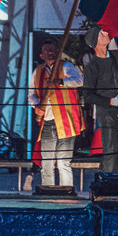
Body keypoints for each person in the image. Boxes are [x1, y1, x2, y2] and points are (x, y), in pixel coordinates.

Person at [80, 25, 118, 173]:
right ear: (95, 41)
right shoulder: (92, 66)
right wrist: (110, 101)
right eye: (102, 34)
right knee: (111, 151)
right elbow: (88, 95)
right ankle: (109, 181)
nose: (107, 34)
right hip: (106, 114)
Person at [30, 40, 84, 190]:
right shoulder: (38, 71)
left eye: (52, 49)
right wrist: (36, 106)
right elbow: (31, 93)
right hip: (48, 121)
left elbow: (79, 81)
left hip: (67, 121)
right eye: (46, 50)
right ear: (41, 55)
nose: (50, 52)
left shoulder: (66, 66)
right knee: (47, 162)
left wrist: (60, 82)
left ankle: (66, 191)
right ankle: (47, 190)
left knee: (63, 161)